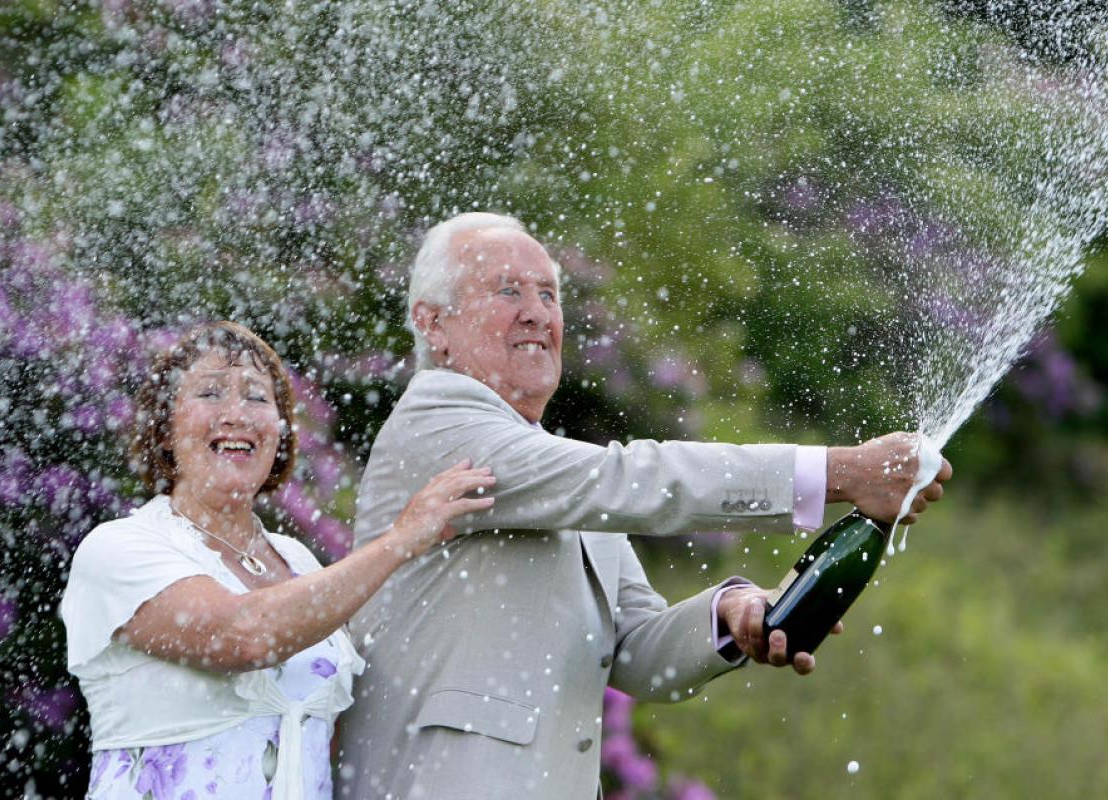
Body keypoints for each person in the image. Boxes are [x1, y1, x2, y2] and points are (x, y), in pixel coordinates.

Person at [335, 212, 952, 799]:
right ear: (433, 323)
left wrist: (732, 615)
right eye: (507, 291)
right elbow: (630, 478)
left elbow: (638, 653)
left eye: (549, 295)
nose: (536, 313)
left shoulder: (555, 468)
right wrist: (841, 473)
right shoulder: (437, 422)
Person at [60, 321, 496, 799]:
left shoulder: (299, 561)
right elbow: (242, 638)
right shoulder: (120, 547)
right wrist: (399, 541)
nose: (237, 414)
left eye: (256, 397)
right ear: (164, 430)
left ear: (279, 431)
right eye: (210, 392)